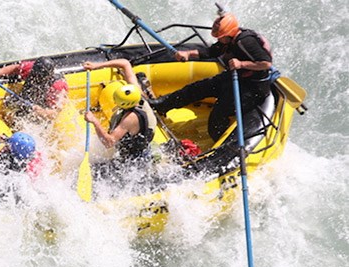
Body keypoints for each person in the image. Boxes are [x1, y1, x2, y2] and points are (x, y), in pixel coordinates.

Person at [149, 12, 273, 142]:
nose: (218, 40)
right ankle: (161, 105)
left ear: (229, 35)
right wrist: (188, 54)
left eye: (220, 37)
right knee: (195, 89)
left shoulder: (246, 42)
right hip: (233, 78)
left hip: (252, 89)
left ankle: (223, 145)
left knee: (217, 117)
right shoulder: (227, 41)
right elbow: (210, 52)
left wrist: (241, 64)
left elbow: (266, 63)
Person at [82, 58, 157, 179]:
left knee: (94, 173)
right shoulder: (136, 91)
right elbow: (125, 63)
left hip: (133, 163)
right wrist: (97, 65)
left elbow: (109, 142)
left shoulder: (130, 119)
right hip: (143, 148)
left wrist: (94, 121)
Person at [0, 57, 68, 125]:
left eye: (39, 77)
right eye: (35, 75)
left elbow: (55, 113)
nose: (36, 78)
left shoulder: (57, 87)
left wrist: (41, 111)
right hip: (29, 98)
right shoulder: (31, 67)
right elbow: (15, 68)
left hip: (43, 107)